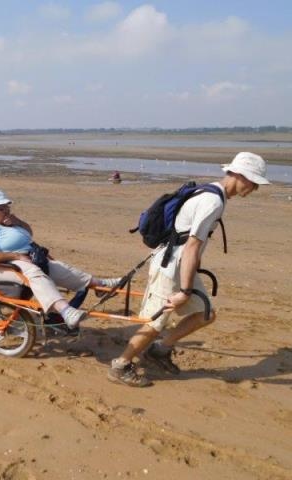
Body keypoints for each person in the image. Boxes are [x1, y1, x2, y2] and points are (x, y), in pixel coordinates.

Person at [107, 152, 271, 387]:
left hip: (181, 266)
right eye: (254, 182)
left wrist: (191, 276)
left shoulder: (213, 193)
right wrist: (184, 290)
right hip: (170, 267)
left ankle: (160, 350)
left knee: (206, 314)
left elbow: (190, 244)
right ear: (239, 175)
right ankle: (120, 365)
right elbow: (192, 246)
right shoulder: (213, 201)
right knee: (155, 323)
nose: (254, 188)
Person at [0, 189, 121, 328]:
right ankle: (65, 311)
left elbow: (28, 233)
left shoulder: (7, 222)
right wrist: (16, 255)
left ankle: (99, 285)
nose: (7, 211)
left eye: (7, 207)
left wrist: (17, 222)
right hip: (3, 265)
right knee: (34, 272)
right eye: (3, 208)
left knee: (59, 267)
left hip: (26, 257)